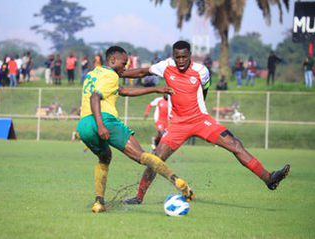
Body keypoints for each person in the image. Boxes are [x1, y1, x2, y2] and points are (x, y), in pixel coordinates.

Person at [122, 40, 290, 205]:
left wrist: (200, 107)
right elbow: (142, 72)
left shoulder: (201, 70)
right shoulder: (166, 65)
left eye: (184, 57)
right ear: (173, 56)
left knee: (235, 145)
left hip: (201, 120)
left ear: (190, 56)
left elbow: (206, 87)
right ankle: (138, 197)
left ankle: (269, 178)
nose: (180, 61)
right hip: (178, 125)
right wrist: (119, 73)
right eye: (177, 57)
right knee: (156, 159)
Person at [76, 46, 194, 213]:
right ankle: (177, 181)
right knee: (142, 155)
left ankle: (99, 202)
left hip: (84, 125)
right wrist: (101, 125)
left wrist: (154, 89)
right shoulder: (111, 76)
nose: (125, 68)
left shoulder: (94, 73)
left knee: (105, 158)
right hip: (104, 120)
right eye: (124, 64)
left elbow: (123, 91)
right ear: (112, 61)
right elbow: (96, 97)